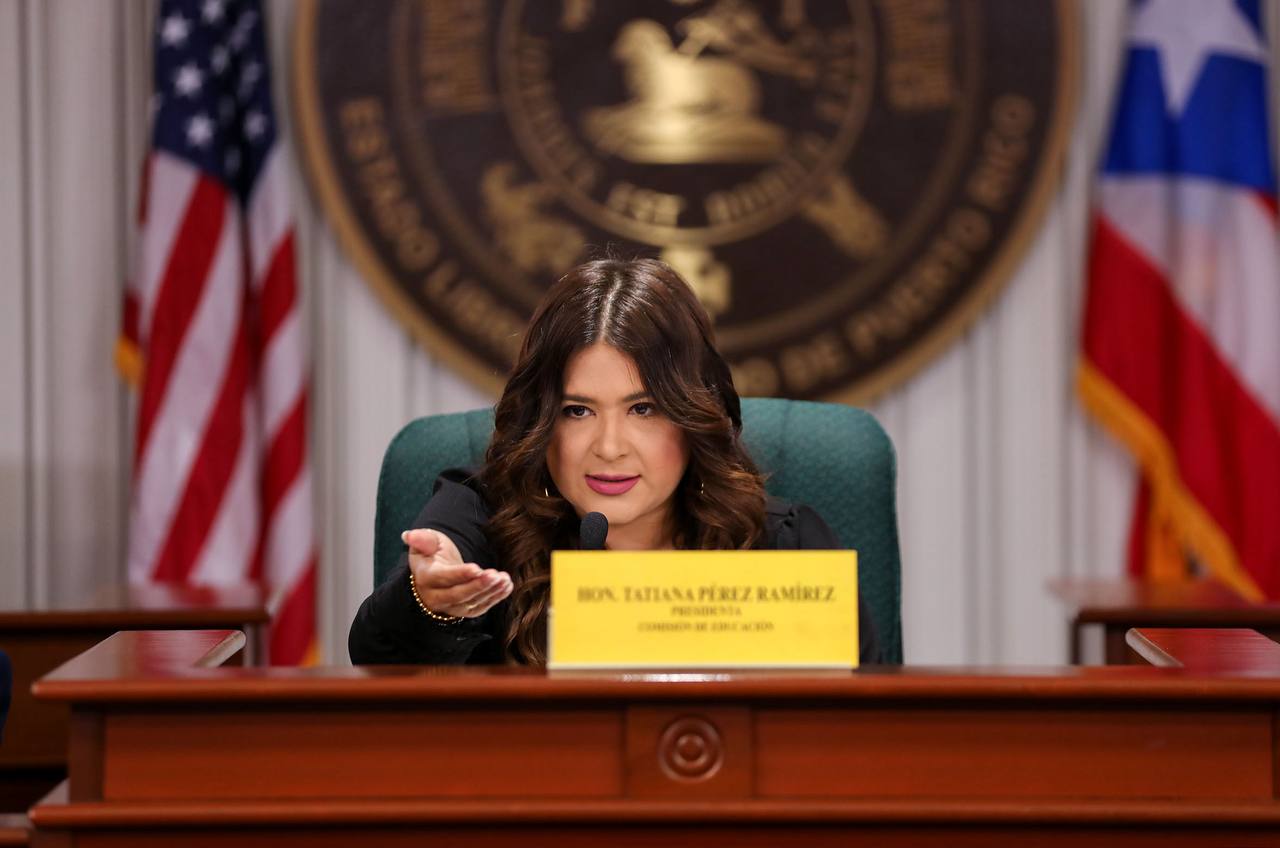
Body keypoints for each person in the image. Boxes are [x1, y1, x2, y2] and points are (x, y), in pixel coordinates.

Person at [349, 258, 881, 666]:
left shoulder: (782, 546)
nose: (608, 447)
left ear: (694, 416)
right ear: (542, 422)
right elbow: (377, 656)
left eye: (643, 409)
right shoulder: (483, 520)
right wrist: (431, 600)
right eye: (577, 411)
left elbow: (862, 730)